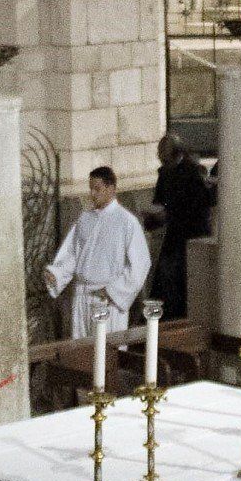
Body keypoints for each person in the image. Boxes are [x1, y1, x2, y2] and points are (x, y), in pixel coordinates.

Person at [45, 166, 151, 336]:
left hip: (107, 300)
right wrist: (57, 273)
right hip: (82, 296)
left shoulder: (127, 222)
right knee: (82, 348)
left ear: (111, 188)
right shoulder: (85, 219)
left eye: (97, 189)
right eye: (91, 189)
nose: (92, 194)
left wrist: (113, 291)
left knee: (106, 348)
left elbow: (141, 263)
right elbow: (73, 254)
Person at [144, 134, 213, 317]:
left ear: (177, 154)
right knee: (166, 285)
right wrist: (154, 215)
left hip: (192, 235)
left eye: (167, 160)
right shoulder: (166, 173)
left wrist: (168, 213)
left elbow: (199, 205)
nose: (165, 164)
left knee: (184, 285)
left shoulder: (193, 172)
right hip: (174, 235)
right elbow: (160, 201)